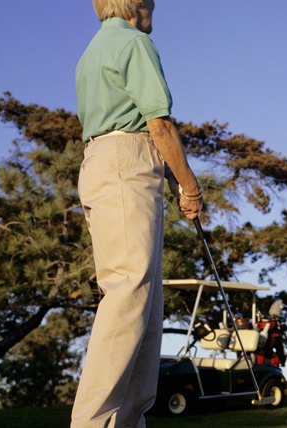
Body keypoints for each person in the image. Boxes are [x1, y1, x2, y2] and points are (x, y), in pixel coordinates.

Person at [72, 1, 203, 426]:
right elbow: (158, 126)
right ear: (135, 3)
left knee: (146, 304)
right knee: (130, 294)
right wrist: (189, 185)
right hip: (126, 163)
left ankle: (128, 421)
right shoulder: (135, 42)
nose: (154, 7)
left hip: (104, 162)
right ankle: (92, 421)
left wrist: (167, 176)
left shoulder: (91, 53)